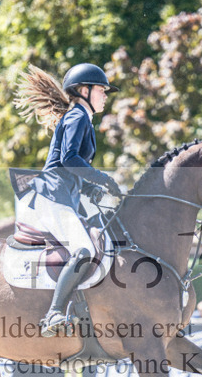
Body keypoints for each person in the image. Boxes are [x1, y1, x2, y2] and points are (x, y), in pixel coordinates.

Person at [15, 63, 122, 337]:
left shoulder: (80, 117)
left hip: (63, 195)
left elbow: (68, 167)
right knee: (84, 251)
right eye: (102, 90)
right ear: (84, 90)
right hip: (52, 197)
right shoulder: (77, 117)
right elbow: (68, 159)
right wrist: (102, 179)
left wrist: (89, 189)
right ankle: (54, 313)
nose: (105, 96)